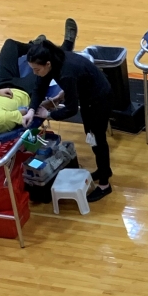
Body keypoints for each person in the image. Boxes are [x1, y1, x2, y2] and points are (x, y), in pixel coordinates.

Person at [26, 29, 114, 203]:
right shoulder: (53, 60)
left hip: (99, 99)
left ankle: (105, 184)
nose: (35, 72)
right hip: (88, 95)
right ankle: (104, 170)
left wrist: (49, 114)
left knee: (98, 139)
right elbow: (39, 88)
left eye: (36, 69)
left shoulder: (66, 71)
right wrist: (31, 110)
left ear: (48, 64)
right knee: (93, 137)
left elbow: (72, 109)